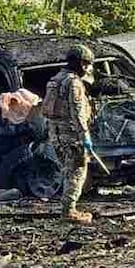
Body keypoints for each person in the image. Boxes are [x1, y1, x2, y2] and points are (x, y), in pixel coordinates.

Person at [43, 45, 96, 223]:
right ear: (81, 63)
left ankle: (68, 208)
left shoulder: (54, 80)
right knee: (76, 171)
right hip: (71, 135)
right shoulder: (73, 82)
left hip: (55, 134)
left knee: (67, 171)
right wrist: (85, 136)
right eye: (87, 64)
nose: (88, 69)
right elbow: (78, 112)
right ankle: (69, 211)